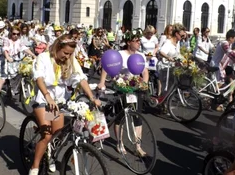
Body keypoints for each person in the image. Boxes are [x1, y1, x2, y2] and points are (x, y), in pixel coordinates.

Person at [29, 34, 100, 175]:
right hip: (44, 100)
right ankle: (35, 166)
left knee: (58, 133)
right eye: (65, 53)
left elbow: (81, 79)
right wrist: (48, 97)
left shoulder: (70, 61)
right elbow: (39, 78)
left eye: (70, 54)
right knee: (47, 135)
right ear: (58, 48)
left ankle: (50, 155)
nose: (67, 56)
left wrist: (92, 98)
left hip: (59, 103)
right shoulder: (44, 57)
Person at [97, 29, 149, 156]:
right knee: (120, 117)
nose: (138, 43)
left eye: (139, 41)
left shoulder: (141, 55)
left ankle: (138, 146)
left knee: (137, 117)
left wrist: (145, 83)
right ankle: (119, 142)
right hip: (121, 88)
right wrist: (102, 82)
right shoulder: (120, 54)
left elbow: (145, 71)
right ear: (128, 42)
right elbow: (107, 66)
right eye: (136, 41)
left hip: (135, 89)